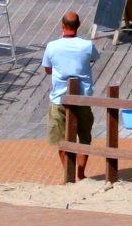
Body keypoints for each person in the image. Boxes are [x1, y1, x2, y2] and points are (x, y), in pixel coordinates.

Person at [41, 11, 100, 181]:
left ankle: (69, 172)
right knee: (84, 138)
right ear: (79, 25)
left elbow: (47, 69)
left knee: (61, 140)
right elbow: (93, 58)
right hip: (82, 98)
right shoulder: (86, 45)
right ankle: (80, 173)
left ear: (62, 26)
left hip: (59, 98)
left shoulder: (52, 46)